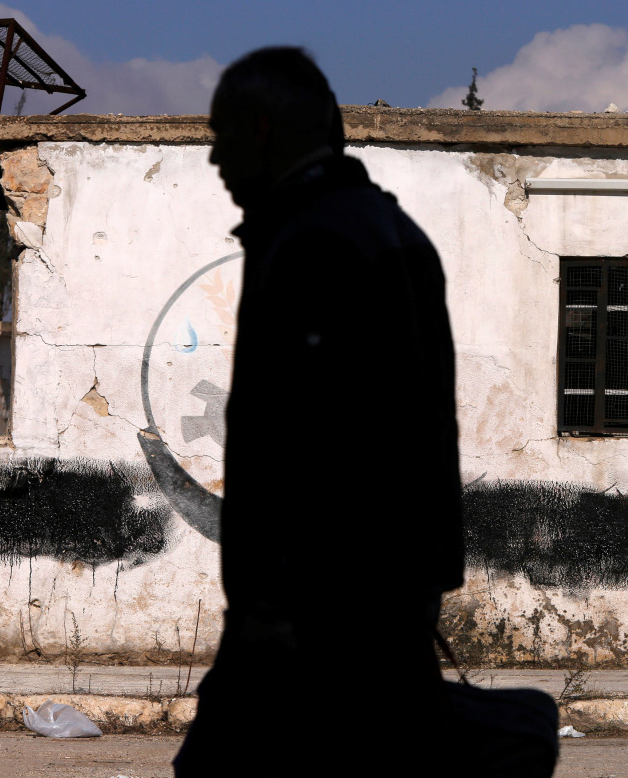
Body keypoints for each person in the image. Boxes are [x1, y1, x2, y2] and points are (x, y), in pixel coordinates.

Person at [174, 47, 463, 775]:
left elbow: (310, 446)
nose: (213, 158)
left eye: (221, 134)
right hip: (389, 610)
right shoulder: (391, 232)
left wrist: (269, 622)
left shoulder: (312, 241)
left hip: (320, 625)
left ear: (262, 130)